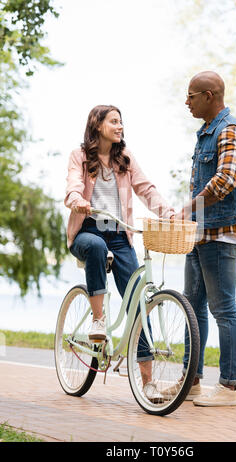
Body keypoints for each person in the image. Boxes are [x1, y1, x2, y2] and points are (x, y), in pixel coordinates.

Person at [64, 104, 175, 402]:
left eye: (121, 122)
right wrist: (77, 200)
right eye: (114, 121)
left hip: (119, 235)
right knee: (97, 248)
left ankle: (148, 382)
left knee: (140, 303)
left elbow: (146, 188)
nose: (119, 126)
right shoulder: (80, 156)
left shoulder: (124, 159)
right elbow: (74, 183)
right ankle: (98, 320)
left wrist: (168, 212)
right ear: (98, 125)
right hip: (88, 231)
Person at [162, 71, 236, 406]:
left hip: (220, 233)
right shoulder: (205, 133)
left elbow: (226, 179)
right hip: (199, 233)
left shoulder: (230, 130)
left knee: (223, 309)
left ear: (210, 95)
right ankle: (192, 382)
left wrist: (189, 207)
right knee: (192, 308)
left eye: (191, 96)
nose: (186, 102)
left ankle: (229, 388)